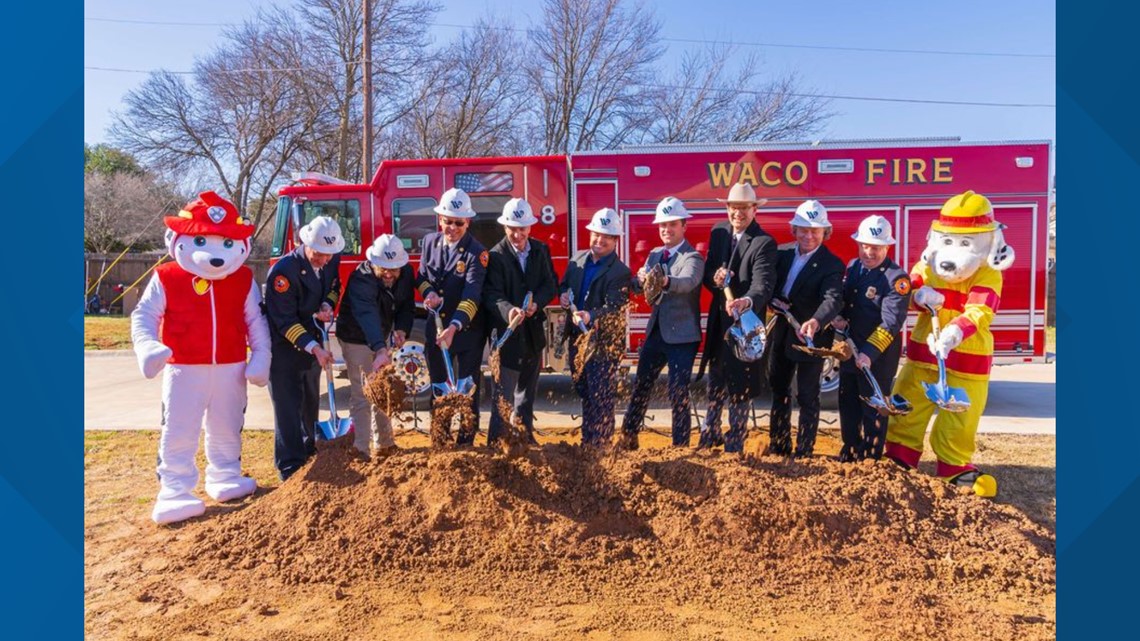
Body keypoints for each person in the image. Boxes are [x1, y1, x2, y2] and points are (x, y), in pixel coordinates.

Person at [130, 191, 269, 524]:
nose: (214, 255)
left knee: (227, 425)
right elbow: (144, 315)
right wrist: (148, 346)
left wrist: (261, 355)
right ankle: (174, 490)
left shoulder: (244, 279)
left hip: (231, 367)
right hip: (184, 369)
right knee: (179, 428)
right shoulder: (167, 277)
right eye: (202, 240)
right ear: (176, 239)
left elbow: (255, 321)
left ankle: (225, 475)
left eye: (226, 243)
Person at [885, 191, 1014, 496]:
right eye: (949, 240)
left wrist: (954, 333)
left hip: (967, 360)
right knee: (907, 404)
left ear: (987, 242)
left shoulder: (987, 271)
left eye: (966, 242)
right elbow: (907, 283)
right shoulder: (929, 261)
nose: (952, 251)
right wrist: (917, 295)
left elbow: (980, 310)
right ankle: (900, 456)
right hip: (922, 355)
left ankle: (954, 467)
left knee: (961, 415)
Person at [697, 182, 778, 453]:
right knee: (716, 380)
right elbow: (709, 273)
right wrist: (715, 277)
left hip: (745, 328)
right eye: (734, 207)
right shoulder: (719, 233)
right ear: (727, 208)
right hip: (721, 324)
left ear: (755, 210)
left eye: (744, 208)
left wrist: (747, 300)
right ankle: (710, 432)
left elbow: (763, 284)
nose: (738, 213)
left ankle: (736, 438)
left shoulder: (764, 243)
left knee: (740, 385)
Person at [619, 196, 705, 449]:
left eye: (672, 225)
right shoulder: (655, 254)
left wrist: (664, 280)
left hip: (682, 338)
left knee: (678, 392)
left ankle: (680, 447)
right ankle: (627, 437)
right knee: (641, 385)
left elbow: (687, 282)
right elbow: (639, 287)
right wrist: (639, 279)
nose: (666, 230)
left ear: (683, 226)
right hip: (656, 333)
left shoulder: (693, 257)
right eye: (662, 225)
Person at [265, 215, 344, 481]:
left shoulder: (330, 258)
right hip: (286, 349)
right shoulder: (283, 272)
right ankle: (289, 466)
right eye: (319, 254)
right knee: (288, 408)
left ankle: (309, 450)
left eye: (328, 256)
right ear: (305, 243)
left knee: (310, 403)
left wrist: (326, 305)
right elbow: (284, 321)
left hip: (313, 345)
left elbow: (334, 287)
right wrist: (315, 348)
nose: (324, 260)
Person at [765, 200, 844, 458]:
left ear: (825, 232)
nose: (809, 236)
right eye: (803, 230)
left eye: (815, 230)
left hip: (812, 338)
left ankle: (805, 450)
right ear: (794, 230)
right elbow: (769, 286)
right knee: (779, 389)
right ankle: (779, 444)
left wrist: (816, 321)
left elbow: (833, 299)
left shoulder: (832, 264)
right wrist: (771, 301)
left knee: (808, 396)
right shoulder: (782, 253)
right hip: (782, 332)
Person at [833, 215, 911, 462]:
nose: (868, 252)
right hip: (850, 351)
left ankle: (870, 459)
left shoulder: (896, 279)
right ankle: (850, 451)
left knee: (873, 409)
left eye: (875, 247)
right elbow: (847, 301)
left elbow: (891, 323)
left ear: (886, 247)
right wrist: (839, 316)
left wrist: (868, 353)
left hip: (876, 357)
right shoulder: (854, 266)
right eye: (864, 245)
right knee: (848, 406)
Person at [483, 198, 558, 445]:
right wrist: (509, 311)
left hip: (533, 335)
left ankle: (524, 436)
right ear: (505, 227)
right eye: (512, 228)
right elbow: (491, 295)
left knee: (526, 392)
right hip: (508, 337)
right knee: (503, 395)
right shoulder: (495, 256)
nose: (517, 234)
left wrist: (538, 302)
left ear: (530, 228)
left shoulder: (540, 250)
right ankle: (497, 440)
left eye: (522, 228)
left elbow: (550, 283)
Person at [417, 187, 488, 445]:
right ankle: (440, 439)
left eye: (459, 223)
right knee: (439, 387)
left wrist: (455, 326)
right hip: (435, 330)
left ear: (467, 222)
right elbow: (422, 277)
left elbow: (472, 296)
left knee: (467, 387)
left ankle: (466, 442)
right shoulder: (429, 242)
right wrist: (429, 294)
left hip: (466, 331)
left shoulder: (476, 253)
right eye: (448, 222)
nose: (453, 228)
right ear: (440, 220)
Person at [335, 233, 415, 457]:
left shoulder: (405, 272)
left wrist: (402, 329)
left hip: (382, 334)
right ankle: (361, 448)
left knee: (383, 389)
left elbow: (406, 304)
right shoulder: (361, 278)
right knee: (363, 392)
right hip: (356, 337)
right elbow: (367, 314)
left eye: (394, 269)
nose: (389, 274)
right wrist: (380, 349)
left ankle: (385, 444)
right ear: (373, 263)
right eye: (383, 269)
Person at [559, 208, 631, 447]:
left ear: (614, 240)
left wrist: (591, 315)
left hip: (603, 343)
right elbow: (564, 286)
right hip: (577, 340)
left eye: (606, 236)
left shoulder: (620, 272)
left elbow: (615, 307)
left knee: (601, 395)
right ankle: (588, 440)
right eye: (596, 235)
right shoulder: (576, 260)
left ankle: (601, 444)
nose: (599, 240)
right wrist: (563, 298)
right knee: (584, 391)